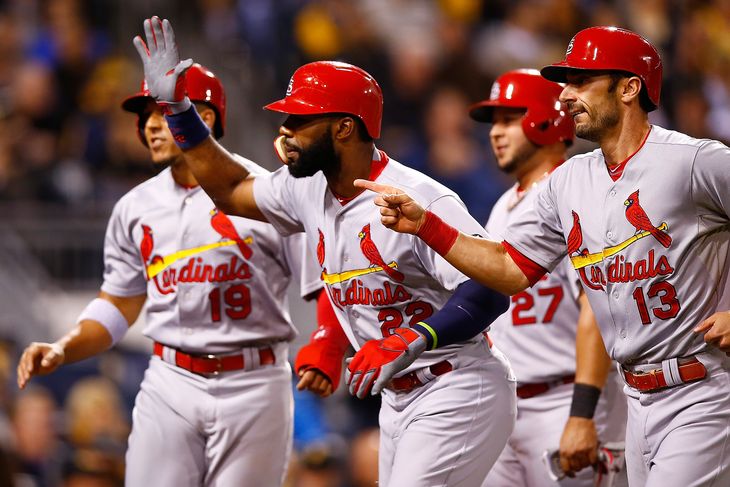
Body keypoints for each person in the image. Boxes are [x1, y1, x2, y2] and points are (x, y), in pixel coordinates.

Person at [132, 16, 515, 487]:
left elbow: (492, 290)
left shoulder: (416, 198)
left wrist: (413, 338)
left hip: (457, 384)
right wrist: (178, 109)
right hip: (398, 398)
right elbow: (231, 189)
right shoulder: (309, 189)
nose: (287, 130)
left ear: (344, 129)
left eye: (301, 119)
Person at [357, 26, 730, 486]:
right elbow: (509, 270)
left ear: (630, 87)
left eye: (581, 81)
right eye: (566, 82)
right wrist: (426, 226)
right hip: (636, 398)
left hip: (704, 387)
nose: (566, 95)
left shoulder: (694, 161)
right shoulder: (569, 180)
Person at [16, 63, 327, 487]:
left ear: (206, 118)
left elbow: (321, 284)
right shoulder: (135, 207)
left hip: (255, 382)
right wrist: (63, 347)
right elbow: (118, 305)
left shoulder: (267, 192)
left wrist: (327, 345)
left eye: (162, 113)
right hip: (170, 377)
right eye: (145, 117)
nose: (150, 127)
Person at [471, 69, 627, 486]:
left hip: (566, 400)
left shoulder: (576, 191)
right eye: (494, 122)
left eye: (509, 119)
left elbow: (596, 311)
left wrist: (581, 413)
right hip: (508, 407)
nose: (495, 133)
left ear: (546, 118)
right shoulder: (506, 204)